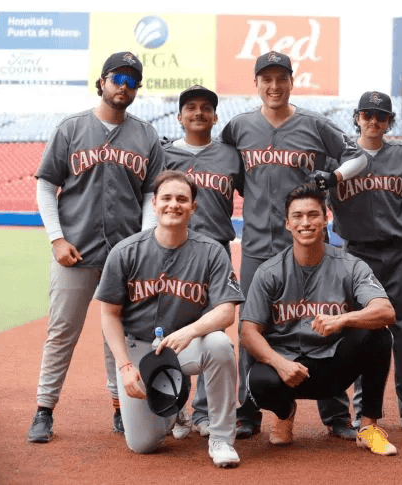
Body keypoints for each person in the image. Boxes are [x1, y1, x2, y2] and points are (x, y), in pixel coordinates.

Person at [220, 50, 368, 440]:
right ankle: (249, 410)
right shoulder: (239, 126)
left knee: (324, 318)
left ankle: (335, 412)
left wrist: (333, 176)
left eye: (280, 78)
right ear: (256, 83)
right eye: (266, 79)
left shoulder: (314, 124)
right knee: (252, 328)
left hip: (308, 244)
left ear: (291, 81)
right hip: (256, 245)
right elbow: (229, 171)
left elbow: (358, 157)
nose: (274, 86)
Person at [27, 51, 163, 443]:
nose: (124, 86)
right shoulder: (71, 129)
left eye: (132, 80)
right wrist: (56, 237)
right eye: (118, 78)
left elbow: (151, 194)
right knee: (61, 332)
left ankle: (121, 409)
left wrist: (141, 243)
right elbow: (44, 184)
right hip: (75, 252)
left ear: (137, 89)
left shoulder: (146, 135)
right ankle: (44, 409)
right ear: (101, 82)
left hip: (123, 257)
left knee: (117, 335)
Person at [96, 170, 244, 467]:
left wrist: (189, 332)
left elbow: (226, 311)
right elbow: (109, 313)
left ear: (193, 207)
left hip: (185, 346)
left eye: (181, 199)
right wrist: (124, 367)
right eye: (166, 198)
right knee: (143, 445)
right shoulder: (126, 251)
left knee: (218, 344)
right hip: (140, 349)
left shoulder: (212, 252)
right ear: (154, 204)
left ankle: (221, 438)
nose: (173, 204)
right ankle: (175, 406)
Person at [239, 183, 398, 456]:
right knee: (259, 380)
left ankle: (368, 426)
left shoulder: (350, 266)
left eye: (313, 215)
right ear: (287, 224)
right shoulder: (269, 272)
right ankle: (284, 413)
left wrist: (344, 319)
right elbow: (248, 332)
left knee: (378, 334)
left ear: (326, 219)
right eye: (298, 216)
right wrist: (280, 363)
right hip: (286, 370)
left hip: (332, 364)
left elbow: (386, 311)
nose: (306, 223)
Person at [326, 91, 402, 434]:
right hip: (354, 254)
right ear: (357, 117)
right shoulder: (338, 157)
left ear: (389, 121)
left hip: (395, 251)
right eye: (367, 115)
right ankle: (362, 411)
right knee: (359, 330)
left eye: (381, 116)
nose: (374, 121)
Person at [153, 84, 245, 438]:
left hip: (216, 249)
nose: (198, 113)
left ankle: (205, 412)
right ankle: (175, 408)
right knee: (169, 324)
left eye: (206, 107)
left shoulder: (230, 155)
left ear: (215, 116)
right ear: (179, 116)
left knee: (214, 330)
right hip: (173, 250)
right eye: (190, 107)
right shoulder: (164, 155)